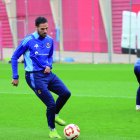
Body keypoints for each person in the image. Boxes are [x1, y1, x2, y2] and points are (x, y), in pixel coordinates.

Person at [11, 16, 71, 139]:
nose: (45, 31)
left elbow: (49, 56)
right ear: (36, 28)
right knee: (50, 103)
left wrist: (49, 65)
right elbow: (14, 57)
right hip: (34, 76)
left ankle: (54, 115)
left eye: (46, 28)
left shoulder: (49, 40)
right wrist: (15, 76)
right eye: (42, 29)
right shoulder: (28, 40)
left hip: (48, 74)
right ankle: (52, 130)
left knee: (66, 93)